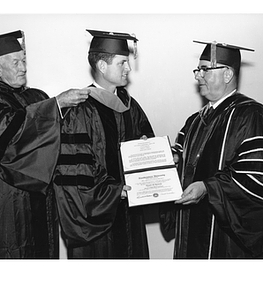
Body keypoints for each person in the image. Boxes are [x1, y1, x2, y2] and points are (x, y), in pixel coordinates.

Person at [0, 30, 90, 258]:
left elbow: (58, 139)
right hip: (7, 203)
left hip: (42, 204)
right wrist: (56, 105)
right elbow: (9, 139)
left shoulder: (36, 96)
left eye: (24, 60)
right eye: (15, 62)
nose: (23, 67)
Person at [53, 29, 154, 258]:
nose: (128, 69)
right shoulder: (80, 108)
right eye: (122, 63)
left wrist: (155, 154)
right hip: (98, 222)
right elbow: (76, 171)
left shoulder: (130, 105)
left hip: (130, 212)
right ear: (102, 66)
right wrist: (114, 191)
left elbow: (146, 141)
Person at [166, 40, 263, 258]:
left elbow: (255, 179)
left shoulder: (251, 116)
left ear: (227, 74)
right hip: (190, 229)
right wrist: (161, 160)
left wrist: (208, 188)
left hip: (225, 239)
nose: (197, 75)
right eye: (197, 70)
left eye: (204, 69)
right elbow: (179, 160)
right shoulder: (194, 121)